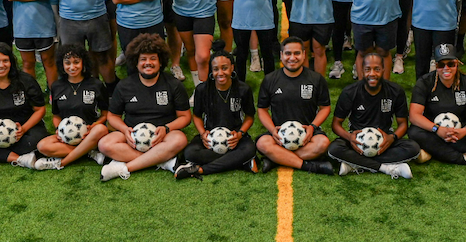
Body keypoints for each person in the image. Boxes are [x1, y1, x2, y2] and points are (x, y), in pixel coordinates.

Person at [99, 34, 192, 181]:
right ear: (136, 63)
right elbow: (113, 116)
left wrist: (166, 128)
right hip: (132, 136)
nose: (148, 63)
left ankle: (125, 168)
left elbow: (185, 117)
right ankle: (164, 161)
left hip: (162, 136)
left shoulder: (173, 84)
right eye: (143, 59)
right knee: (104, 144)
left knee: (180, 139)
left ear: (161, 61)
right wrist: (125, 130)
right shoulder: (124, 86)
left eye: (153, 58)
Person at [329, 49, 419, 179]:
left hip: (385, 142)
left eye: (377, 69)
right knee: (334, 149)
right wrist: (349, 138)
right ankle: (388, 168)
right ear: (362, 70)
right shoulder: (350, 92)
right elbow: (336, 125)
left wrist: (392, 138)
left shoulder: (396, 91)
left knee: (413, 147)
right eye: (368, 69)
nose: (372, 74)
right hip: (357, 143)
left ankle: (355, 164)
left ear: (383, 69)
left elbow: (403, 124)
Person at [175, 42, 259, 179]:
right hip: (210, 138)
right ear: (211, 71)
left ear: (232, 68)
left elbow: (250, 117)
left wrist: (239, 134)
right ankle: (239, 162)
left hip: (235, 138)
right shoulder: (202, 89)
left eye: (224, 68)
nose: (220, 73)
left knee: (249, 149)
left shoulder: (243, 89)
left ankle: (200, 169)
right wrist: (203, 134)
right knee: (190, 153)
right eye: (216, 69)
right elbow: (196, 116)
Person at [255, 37, 335, 175]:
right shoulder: (270, 79)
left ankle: (277, 159)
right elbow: (262, 109)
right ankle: (309, 166)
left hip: (308, 135)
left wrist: (312, 127)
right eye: (288, 53)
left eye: (297, 53)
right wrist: (272, 130)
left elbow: (325, 108)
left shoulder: (316, 79)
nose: (292, 58)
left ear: (304, 55)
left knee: (323, 143)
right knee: (262, 143)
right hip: (279, 135)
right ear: (281, 55)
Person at [406, 44, 466, 169]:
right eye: (441, 65)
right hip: (432, 130)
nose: (446, 68)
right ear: (435, 65)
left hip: (459, 132)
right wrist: (437, 129)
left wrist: (463, 131)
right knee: (414, 132)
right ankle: (464, 159)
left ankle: (432, 151)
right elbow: (414, 115)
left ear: (457, 64)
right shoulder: (424, 82)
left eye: (450, 64)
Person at [35, 44, 110, 169]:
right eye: (67, 63)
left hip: (91, 134)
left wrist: (94, 126)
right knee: (42, 146)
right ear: (62, 65)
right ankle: (88, 152)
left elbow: (106, 114)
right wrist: (59, 129)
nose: (72, 67)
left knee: (101, 129)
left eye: (76, 62)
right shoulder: (57, 86)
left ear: (83, 63)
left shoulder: (96, 84)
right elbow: (56, 116)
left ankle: (61, 162)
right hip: (67, 136)